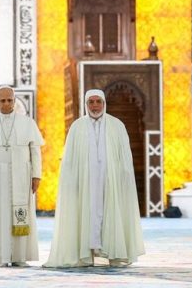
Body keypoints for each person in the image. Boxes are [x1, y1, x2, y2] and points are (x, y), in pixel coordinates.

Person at [44, 89, 144, 268]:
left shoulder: (117, 125)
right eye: (91, 102)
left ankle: (113, 253)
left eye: (98, 101)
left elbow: (125, 158)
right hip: (85, 183)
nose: (95, 105)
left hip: (110, 182)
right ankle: (86, 254)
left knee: (110, 213)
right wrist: (70, 183)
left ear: (104, 104)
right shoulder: (77, 126)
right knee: (86, 214)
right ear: (86, 104)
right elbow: (69, 160)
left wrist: (124, 181)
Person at [0, 86, 44, 266]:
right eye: (2, 100)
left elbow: (35, 151)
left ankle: (20, 257)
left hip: (22, 173)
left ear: (15, 100)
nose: (6, 103)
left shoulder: (28, 123)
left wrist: (36, 176)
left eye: (10, 100)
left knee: (21, 213)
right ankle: (0, 256)